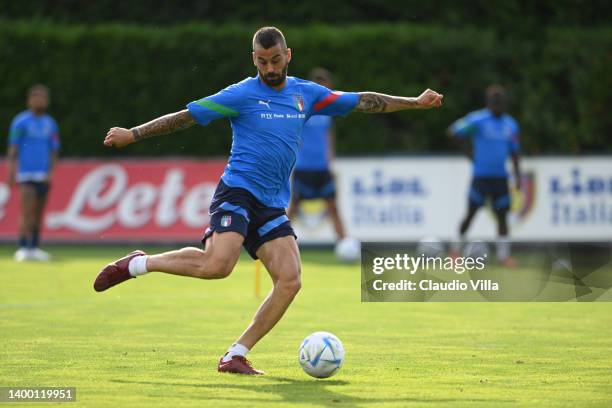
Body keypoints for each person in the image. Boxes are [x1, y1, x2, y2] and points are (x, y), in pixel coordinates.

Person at [94, 26, 443, 375]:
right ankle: (139, 263)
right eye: (263, 62)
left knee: (290, 280)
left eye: (276, 60)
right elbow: (186, 117)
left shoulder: (307, 94)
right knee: (218, 265)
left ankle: (235, 355)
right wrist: (134, 134)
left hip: (272, 203)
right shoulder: (241, 94)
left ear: (288, 55)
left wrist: (414, 102)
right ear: (253, 60)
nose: (270, 68)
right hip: (237, 192)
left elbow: (362, 100)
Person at [448, 85, 521, 267]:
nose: (497, 104)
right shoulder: (477, 120)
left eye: (500, 102)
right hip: (481, 177)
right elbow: (454, 132)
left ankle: (504, 257)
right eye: (494, 101)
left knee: (503, 217)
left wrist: (518, 175)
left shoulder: (510, 125)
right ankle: (455, 251)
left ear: (504, 103)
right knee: (470, 214)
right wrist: (469, 154)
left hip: (500, 178)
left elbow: (514, 153)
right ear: (488, 102)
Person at [287, 67, 347, 243]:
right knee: (293, 209)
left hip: (322, 167)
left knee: (334, 208)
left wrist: (330, 154)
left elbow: (329, 134)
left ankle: (345, 244)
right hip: (303, 166)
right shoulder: (301, 107)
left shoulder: (328, 111)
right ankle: (279, 242)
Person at [7, 84, 60, 262]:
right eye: (36, 97)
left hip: (43, 175)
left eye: (43, 97)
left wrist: (51, 173)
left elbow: (54, 150)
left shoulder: (50, 124)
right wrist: (11, 172)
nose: (40, 100)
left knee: (38, 213)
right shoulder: (20, 122)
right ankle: (23, 247)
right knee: (26, 211)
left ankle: (35, 247)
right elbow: (13, 148)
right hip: (25, 174)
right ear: (30, 100)